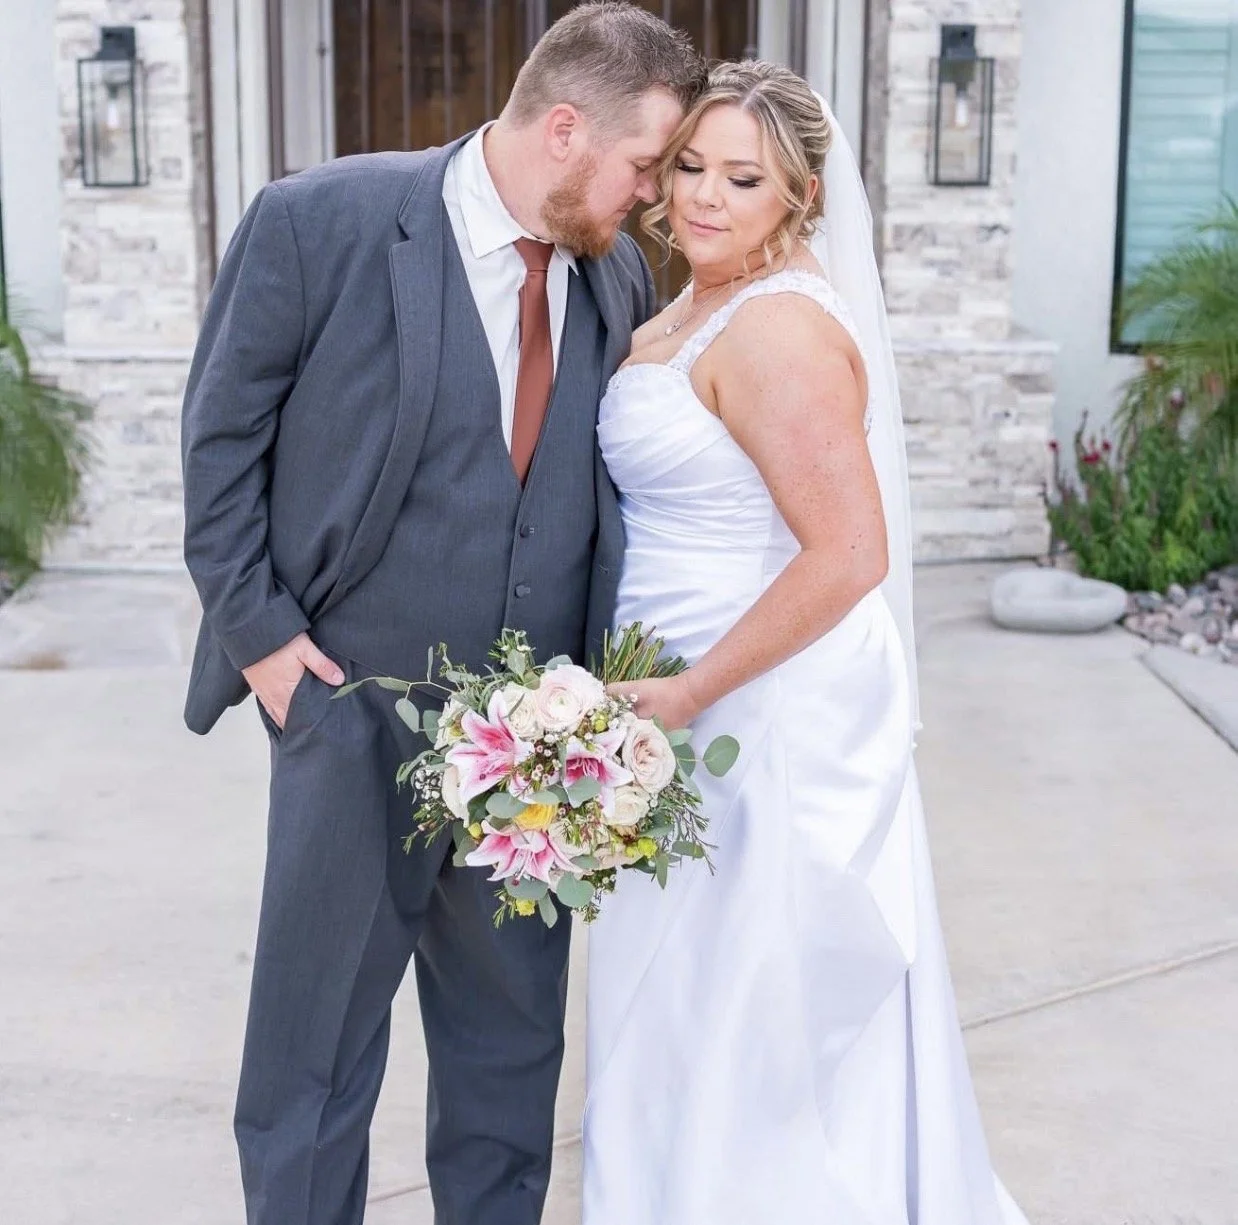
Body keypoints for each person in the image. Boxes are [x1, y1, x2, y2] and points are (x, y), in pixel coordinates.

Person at [179, 6, 702, 1223]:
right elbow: (217, 444)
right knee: (312, 1057)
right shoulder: (321, 223)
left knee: (510, 1053)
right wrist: (264, 646)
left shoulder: (612, 271)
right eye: (641, 169)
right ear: (565, 130)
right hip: (348, 708)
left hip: (538, 746)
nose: (650, 202)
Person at [583, 60, 1029, 1225]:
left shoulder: (774, 328)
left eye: (744, 178)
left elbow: (845, 556)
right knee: (680, 985)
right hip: (678, 686)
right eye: (688, 167)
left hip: (755, 697)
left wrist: (688, 693)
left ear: (799, 196)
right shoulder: (691, 301)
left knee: (748, 997)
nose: (704, 198)